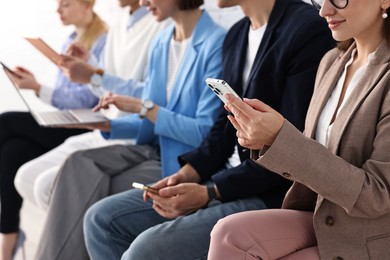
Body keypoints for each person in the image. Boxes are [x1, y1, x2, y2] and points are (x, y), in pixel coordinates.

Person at [82, 0, 335, 259]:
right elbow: (222, 127)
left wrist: (210, 192)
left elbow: (292, 148)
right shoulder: (237, 34)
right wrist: (189, 173)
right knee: (102, 220)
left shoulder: (306, 29)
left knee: (143, 252)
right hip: (221, 176)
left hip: (266, 190)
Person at [33, 0, 226, 259]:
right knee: (77, 162)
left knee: (89, 196)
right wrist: (105, 124)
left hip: (185, 161)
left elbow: (203, 133)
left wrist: (146, 108)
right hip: (153, 148)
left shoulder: (216, 43)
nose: (143, 1)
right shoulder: (161, 43)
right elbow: (149, 122)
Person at [207, 0, 390, 259]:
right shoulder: (332, 62)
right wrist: (266, 141)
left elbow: (378, 195)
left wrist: (281, 138)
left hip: (371, 233)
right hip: (320, 214)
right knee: (227, 233)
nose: (324, 10)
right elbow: (313, 157)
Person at [14, 0, 169, 213]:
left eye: (66, 4)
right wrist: (91, 68)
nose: (59, 10)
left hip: (132, 134)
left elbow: (154, 96)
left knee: (45, 185)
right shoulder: (119, 23)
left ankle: (69, 239)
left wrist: (94, 76)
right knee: (26, 177)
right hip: (107, 125)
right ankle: (68, 235)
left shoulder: (161, 26)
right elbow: (103, 91)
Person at [0, 0, 107, 259]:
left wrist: (39, 89)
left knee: (5, 121)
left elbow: (88, 100)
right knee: (14, 151)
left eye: (66, 4)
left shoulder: (104, 40)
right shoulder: (71, 39)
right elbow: (67, 95)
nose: (58, 10)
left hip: (87, 126)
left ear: (87, 5)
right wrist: (37, 85)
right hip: (65, 119)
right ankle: (9, 238)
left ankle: (8, 240)